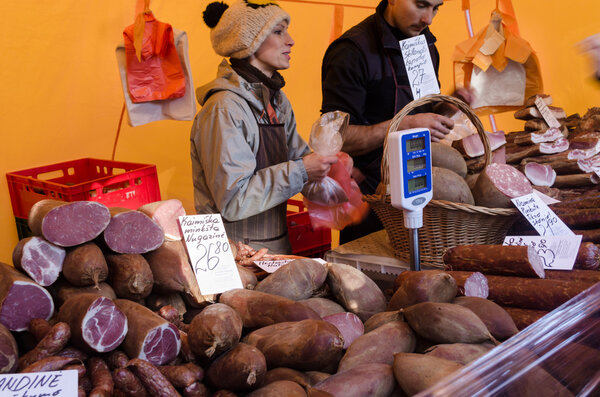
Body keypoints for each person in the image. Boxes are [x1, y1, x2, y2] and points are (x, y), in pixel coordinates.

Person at [191, 0, 338, 254]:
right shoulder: (224, 109)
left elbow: (300, 161)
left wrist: (331, 169)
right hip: (233, 256)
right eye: (279, 31)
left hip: (276, 251)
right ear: (250, 42)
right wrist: (304, 170)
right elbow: (234, 200)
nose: (291, 40)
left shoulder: (277, 101)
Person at [321, 0, 471, 243]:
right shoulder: (351, 51)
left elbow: (423, 110)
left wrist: (447, 107)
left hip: (422, 193)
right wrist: (403, 125)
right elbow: (335, 139)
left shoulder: (425, 46)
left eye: (436, 8)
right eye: (421, 5)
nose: (428, 19)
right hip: (372, 201)